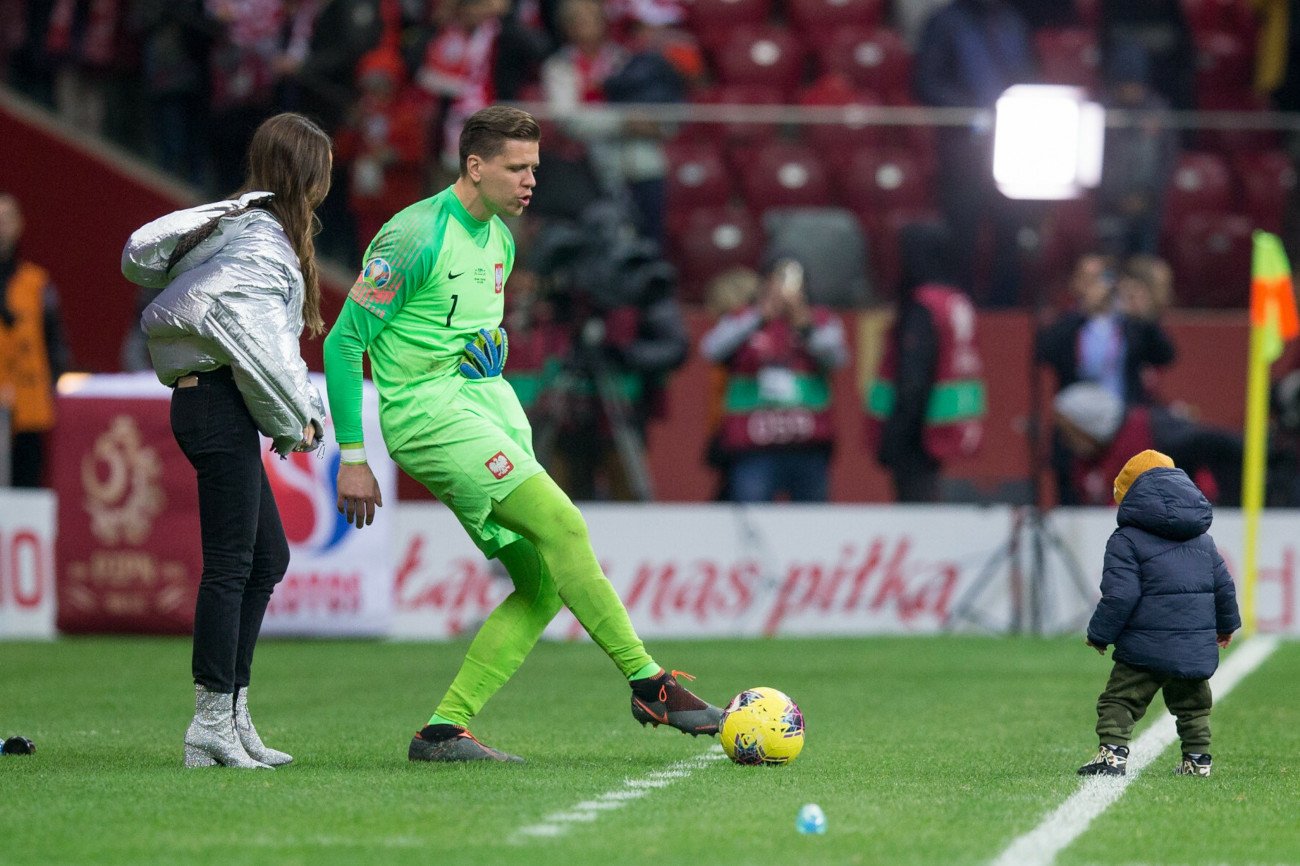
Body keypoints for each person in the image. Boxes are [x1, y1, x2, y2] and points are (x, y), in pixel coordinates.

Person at [322, 105, 722, 763]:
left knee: (539, 583)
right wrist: (354, 457)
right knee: (565, 526)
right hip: (429, 417)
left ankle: (442, 732)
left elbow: (457, 331)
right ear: (475, 166)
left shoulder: (503, 241)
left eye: (533, 167)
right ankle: (649, 683)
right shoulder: (412, 236)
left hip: (485, 409)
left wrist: (491, 351)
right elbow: (343, 344)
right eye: (516, 168)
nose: (530, 181)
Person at [122, 113, 331, 769]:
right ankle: (209, 722)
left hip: (218, 403)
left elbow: (252, 341)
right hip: (216, 405)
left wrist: (277, 413)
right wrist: (303, 415)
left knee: (264, 560)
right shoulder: (263, 243)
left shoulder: (248, 232)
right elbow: (261, 346)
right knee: (233, 564)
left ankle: (232, 715)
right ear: (308, 175)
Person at [1077, 449, 1240, 778]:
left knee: (1121, 700)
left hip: (1143, 646)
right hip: (1193, 645)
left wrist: (1099, 634)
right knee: (1193, 705)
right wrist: (1226, 627)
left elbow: (1120, 594)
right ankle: (1197, 759)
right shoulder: (1203, 540)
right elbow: (1224, 587)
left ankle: (1112, 754)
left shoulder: (1125, 540)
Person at [699, 258, 849, 503]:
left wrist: (804, 325)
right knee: (755, 523)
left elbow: (837, 357)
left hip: (808, 443)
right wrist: (760, 315)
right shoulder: (744, 318)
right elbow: (711, 349)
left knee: (812, 527)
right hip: (753, 444)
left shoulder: (820, 320)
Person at [867, 222, 986, 503]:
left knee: (920, 514)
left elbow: (914, 377)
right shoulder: (956, 301)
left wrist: (894, 437)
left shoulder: (923, 305)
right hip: (956, 427)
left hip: (919, 435)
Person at [1052, 382, 1246, 507]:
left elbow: (1215, 445)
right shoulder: (1084, 464)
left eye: (1069, 432)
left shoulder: (1156, 435)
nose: (1066, 441)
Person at [0, 192, 73, 488]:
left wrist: (50, 389)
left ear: (19, 225)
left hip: (29, 411)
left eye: (6, 220)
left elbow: (56, 345)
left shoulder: (37, 284)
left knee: (26, 492)